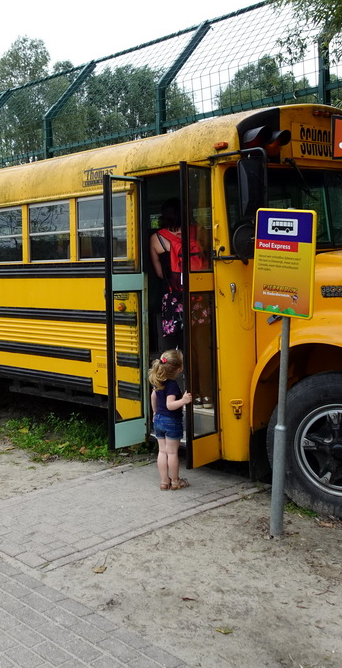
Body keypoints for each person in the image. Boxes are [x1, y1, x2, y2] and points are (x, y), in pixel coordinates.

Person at [149, 198, 212, 407]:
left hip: (174, 301)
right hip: (199, 298)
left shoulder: (157, 239)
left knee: (178, 349)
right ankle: (207, 395)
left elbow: (159, 273)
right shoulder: (200, 231)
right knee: (201, 348)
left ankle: (184, 396)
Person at [148, 348, 193, 491]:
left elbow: (153, 397)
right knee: (172, 453)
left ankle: (163, 481)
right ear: (179, 369)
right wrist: (184, 401)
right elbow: (170, 405)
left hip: (159, 420)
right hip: (171, 421)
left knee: (162, 452)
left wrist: (155, 411)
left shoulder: (158, 381)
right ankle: (175, 481)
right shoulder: (172, 385)